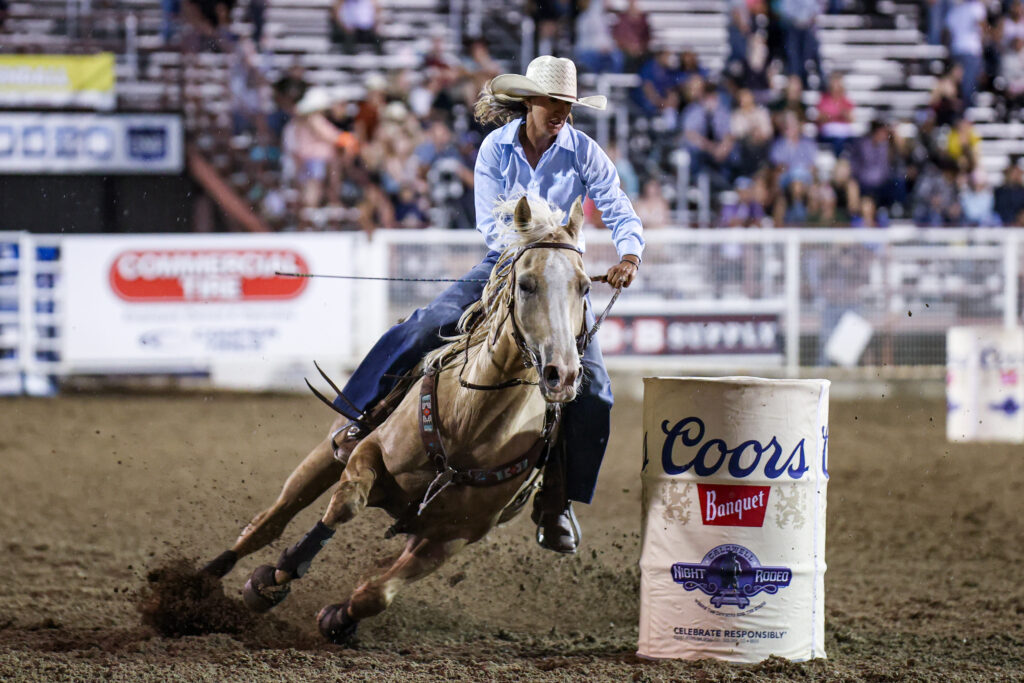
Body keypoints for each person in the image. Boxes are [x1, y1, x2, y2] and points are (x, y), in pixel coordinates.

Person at [330, 56, 644, 554]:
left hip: (560, 280)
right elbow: (489, 223)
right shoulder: (495, 148)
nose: (560, 111)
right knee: (424, 325)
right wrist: (532, 250)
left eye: (567, 104)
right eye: (551, 102)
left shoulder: (586, 152)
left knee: (597, 393)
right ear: (529, 102)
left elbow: (617, 207)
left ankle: (557, 501)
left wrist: (629, 253)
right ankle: (359, 416)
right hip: (505, 264)